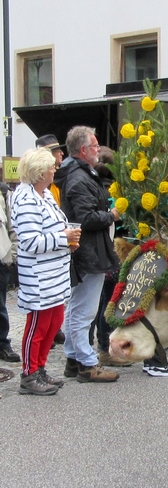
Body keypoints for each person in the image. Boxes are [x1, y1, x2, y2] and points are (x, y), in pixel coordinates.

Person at [10, 148, 81, 395]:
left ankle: (39, 368)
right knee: (37, 326)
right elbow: (29, 242)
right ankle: (29, 375)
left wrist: (68, 240)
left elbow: (54, 230)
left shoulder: (46, 195)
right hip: (40, 276)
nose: (55, 169)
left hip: (55, 273)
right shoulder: (26, 199)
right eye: (51, 166)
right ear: (40, 171)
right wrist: (63, 238)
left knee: (54, 323)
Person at [57, 126, 123, 383]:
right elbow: (85, 218)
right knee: (84, 310)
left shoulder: (79, 172)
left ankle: (74, 358)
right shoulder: (79, 177)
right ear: (83, 150)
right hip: (89, 251)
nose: (98, 149)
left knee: (78, 308)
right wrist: (112, 215)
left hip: (87, 249)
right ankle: (86, 363)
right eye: (95, 146)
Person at [35, 134, 67, 346]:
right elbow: (31, 239)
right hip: (44, 261)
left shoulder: (58, 182)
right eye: (56, 151)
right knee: (40, 321)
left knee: (58, 309)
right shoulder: (35, 191)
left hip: (60, 251)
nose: (61, 154)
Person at [0, 182, 20, 363]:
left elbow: (11, 227)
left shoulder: (3, 193)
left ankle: (3, 345)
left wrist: (11, 256)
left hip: (1, 259)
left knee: (1, 306)